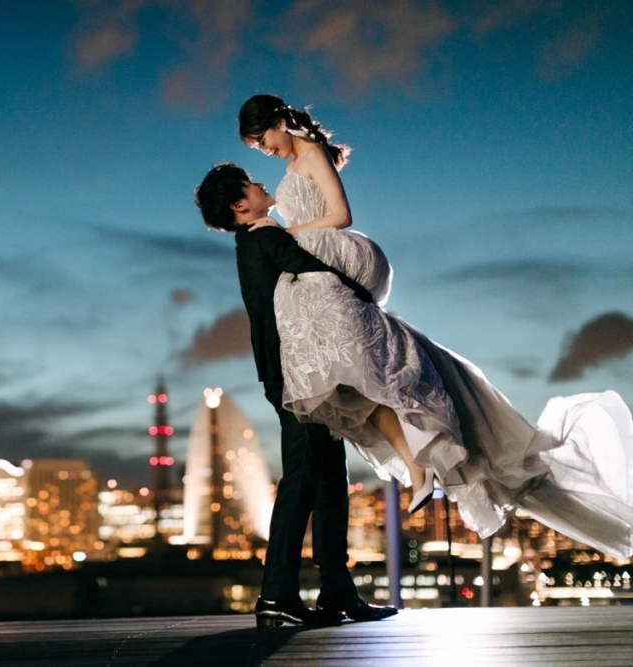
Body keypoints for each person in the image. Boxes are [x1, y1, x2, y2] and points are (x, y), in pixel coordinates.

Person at [233, 93, 633, 559]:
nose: (263, 149)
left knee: (369, 369)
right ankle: (416, 460)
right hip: (319, 266)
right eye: (256, 146)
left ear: (280, 121)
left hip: (333, 253)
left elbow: (342, 216)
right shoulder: (284, 177)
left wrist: (288, 234)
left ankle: (419, 453)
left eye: (263, 139)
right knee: (363, 383)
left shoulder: (312, 155)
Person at [195, 164, 398, 630]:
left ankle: (336, 593)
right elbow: (322, 276)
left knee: (328, 478)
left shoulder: (254, 242)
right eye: (252, 184)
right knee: (305, 477)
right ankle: (277, 595)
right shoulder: (265, 240)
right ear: (239, 206)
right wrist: (366, 298)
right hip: (296, 379)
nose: (263, 185)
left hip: (300, 376)